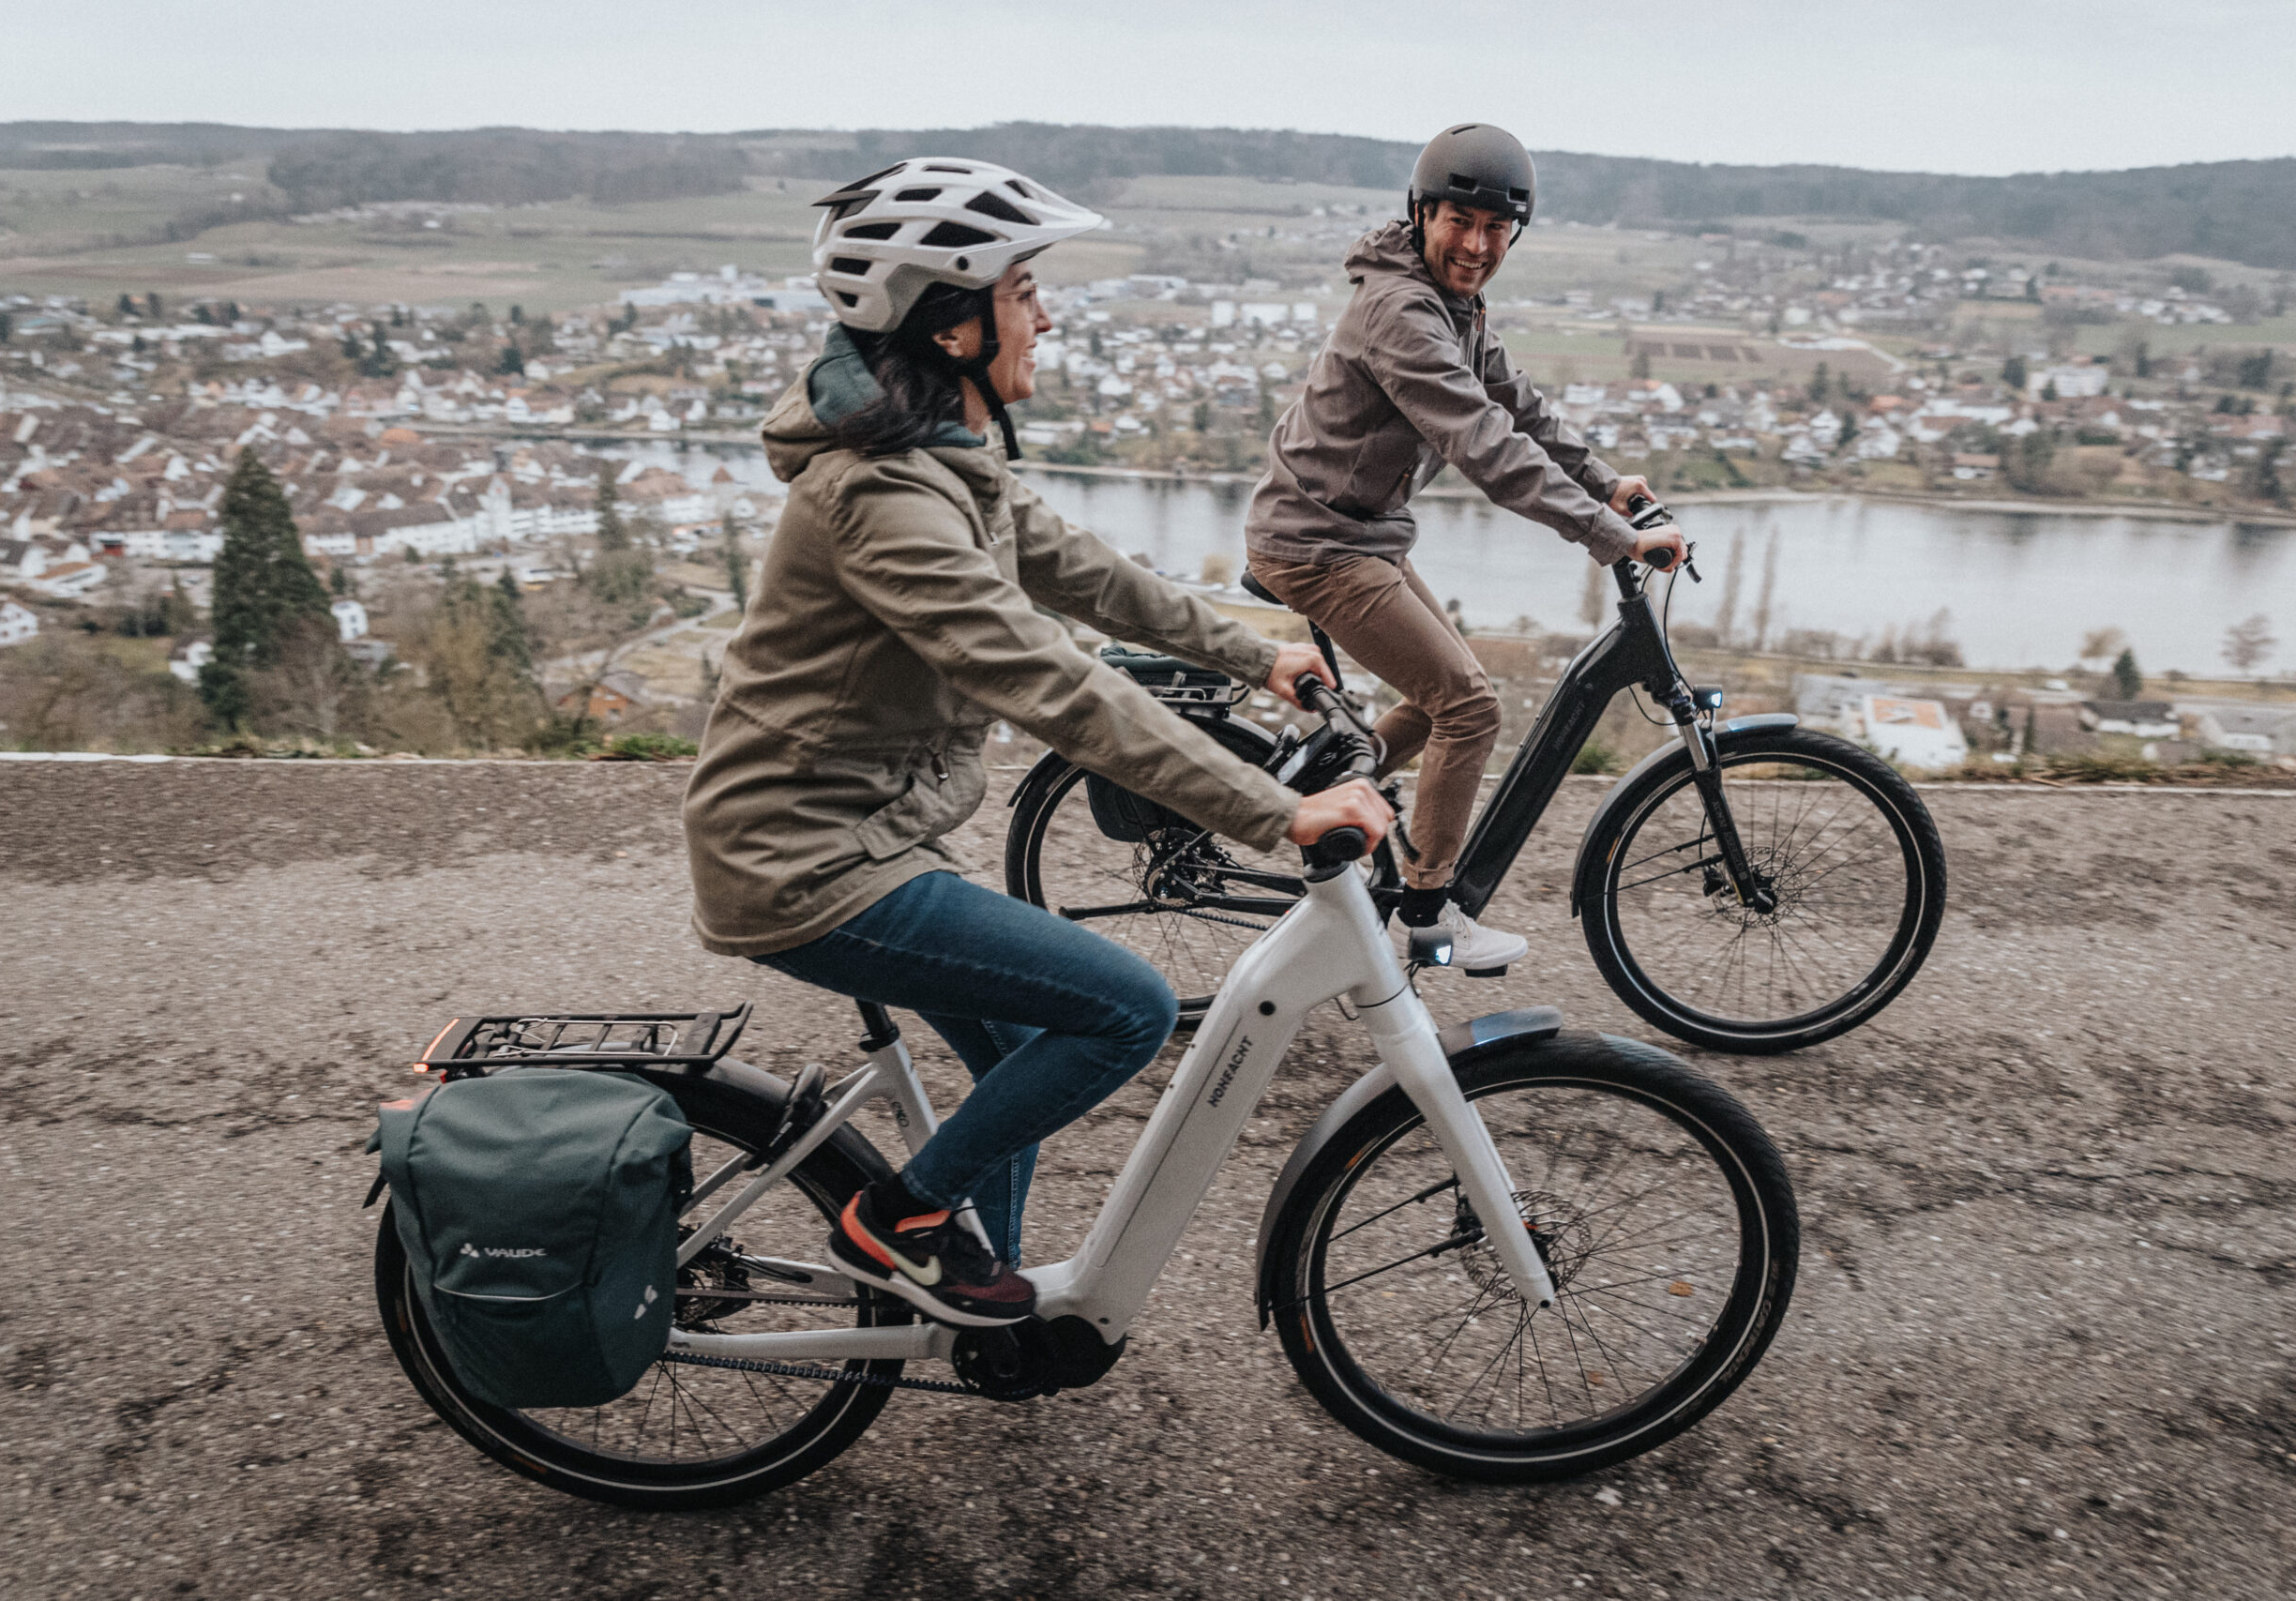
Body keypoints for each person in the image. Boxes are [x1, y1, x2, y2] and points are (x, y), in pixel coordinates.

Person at [683, 159, 1391, 1329]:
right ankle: (900, 1222)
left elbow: (1074, 567)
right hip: (804, 863)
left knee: (1022, 1045)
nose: (1045, 314)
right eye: (1023, 290)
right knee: (1121, 1007)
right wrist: (1276, 811)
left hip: (870, 834)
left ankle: (967, 1316)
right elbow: (1047, 680)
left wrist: (1249, 652)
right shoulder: (882, 498)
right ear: (949, 318)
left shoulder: (938, 450)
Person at [1244, 123, 1685, 973]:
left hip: (1356, 532)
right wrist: (1615, 537)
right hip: (1318, 544)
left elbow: (1516, 403)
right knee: (1470, 707)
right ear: (1421, 214)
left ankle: (1329, 789)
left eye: (1497, 229)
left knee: (1450, 690)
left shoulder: (1449, 300)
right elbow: (1486, 444)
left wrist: (1606, 483)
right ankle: (1425, 910)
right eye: (1460, 221)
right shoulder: (1402, 311)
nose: (1478, 244)